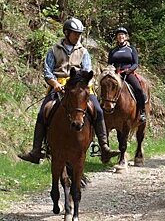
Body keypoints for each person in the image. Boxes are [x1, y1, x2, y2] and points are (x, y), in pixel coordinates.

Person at [18, 17, 119, 164]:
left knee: (98, 109)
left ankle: (104, 146)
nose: (77, 36)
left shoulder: (83, 52)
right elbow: (48, 71)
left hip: (80, 87)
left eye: (79, 34)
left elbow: (88, 71)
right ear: (66, 33)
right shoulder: (54, 50)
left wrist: (83, 84)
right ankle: (36, 150)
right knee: (43, 111)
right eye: (75, 33)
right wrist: (54, 84)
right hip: (59, 85)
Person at [108, 26, 146, 123]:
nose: (121, 36)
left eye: (122, 35)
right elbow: (109, 64)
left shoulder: (131, 49)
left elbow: (135, 63)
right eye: (119, 35)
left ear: (126, 37)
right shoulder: (113, 51)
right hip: (115, 74)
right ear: (116, 37)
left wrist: (129, 70)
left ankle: (142, 112)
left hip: (128, 73)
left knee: (138, 89)